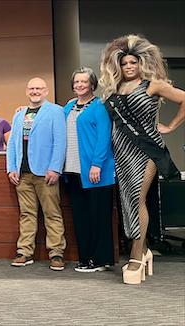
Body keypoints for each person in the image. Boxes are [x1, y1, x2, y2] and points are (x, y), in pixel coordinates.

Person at [99, 35, 185, 284]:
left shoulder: (153, 84)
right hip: (122, 151)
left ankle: (137, 254)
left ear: (140, 63)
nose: (129, 67)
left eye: (133, 63)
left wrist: (170, 125)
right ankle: (143, 248)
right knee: (127, 201)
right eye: (124, 63)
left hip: (147, 150)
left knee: (137, 197)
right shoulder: (115, 90)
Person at [6, 77, 67, 271]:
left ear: (46, 91)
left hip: (46, 173)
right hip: (22, 174)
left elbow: (60, 142)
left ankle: (56, 253)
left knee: (52, 214)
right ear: (26, 91)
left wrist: (56, 167)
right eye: (31, 88)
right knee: (26, 214)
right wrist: (11, 168)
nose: (35, 91)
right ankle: (24, 252)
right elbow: (13, 144)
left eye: (39, 88)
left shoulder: (56, 111)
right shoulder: (19, 114)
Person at [63, 67, 115, 272]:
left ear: (92, 84)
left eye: (84, 82)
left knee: (98, 217)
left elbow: (104, 137)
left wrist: (97, 164)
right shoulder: (68, 106)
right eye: (76, 82)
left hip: (96, 172)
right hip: (73, 172)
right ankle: (85, 258)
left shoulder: (99, 106)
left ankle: (101, 259)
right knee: (81, 217)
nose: (79, 85)